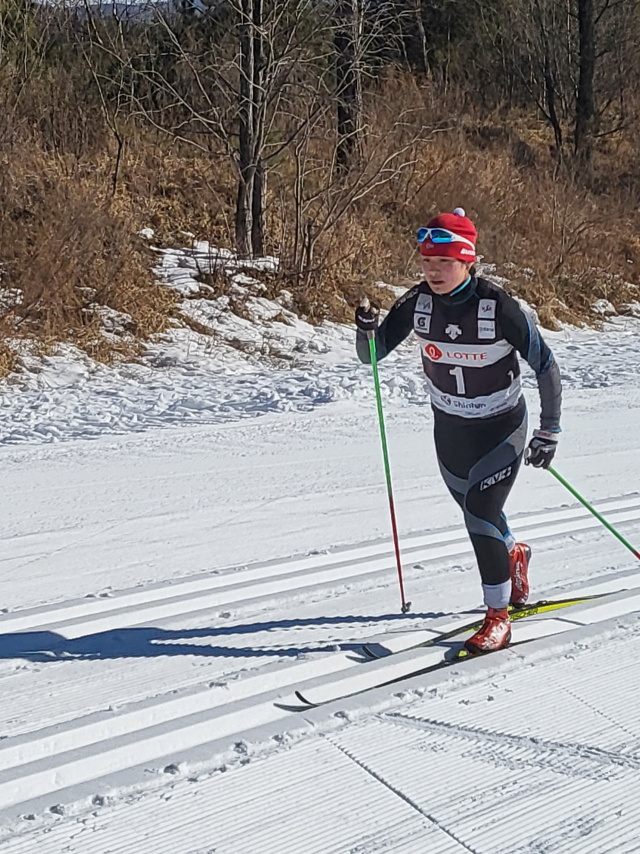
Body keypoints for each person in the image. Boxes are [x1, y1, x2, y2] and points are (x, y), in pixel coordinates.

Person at [355, 208, 562, 654]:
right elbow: (372, 356)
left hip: (501, 428)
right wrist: (365, 331)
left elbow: (546, 366)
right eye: (427, 263)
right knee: (478, 511)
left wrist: (549, 431)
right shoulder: (418, 303)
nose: (433, 272)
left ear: (468, 261)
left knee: (479, 513)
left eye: (444, 263)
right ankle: (513, 556)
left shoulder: (498, 307)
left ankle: (498, 618)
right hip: (449, 430)